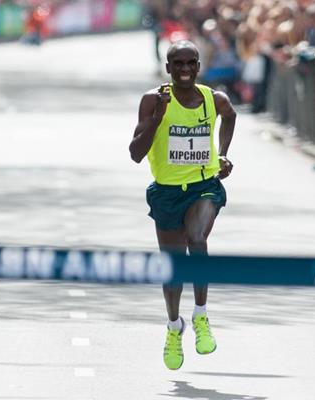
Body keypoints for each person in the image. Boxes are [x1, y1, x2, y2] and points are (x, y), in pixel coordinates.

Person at [129, 40, 236, 370]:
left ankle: (201, 315)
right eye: (179, 64)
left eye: (192, 63)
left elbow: (230, 116)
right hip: (166, 193)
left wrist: (222, 154)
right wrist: (158, 118)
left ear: (199, 67)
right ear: (168, 68)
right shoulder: (152, 100)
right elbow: (135, 153)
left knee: (198, 237)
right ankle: (174, 327)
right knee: (172, 268)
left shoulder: (213, 99)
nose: (186, 70)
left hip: (203, 186)